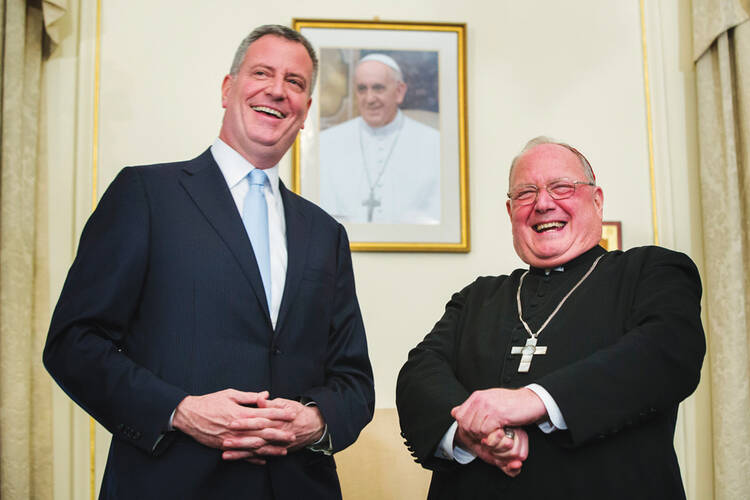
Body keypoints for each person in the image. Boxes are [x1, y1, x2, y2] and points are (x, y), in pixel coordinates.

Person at [43, 25, 374, 500]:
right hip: (170, 483)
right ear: (227, 88)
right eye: (262, 73)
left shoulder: (326, 234)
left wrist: (315, 420)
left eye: (296, 83)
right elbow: (73, 344)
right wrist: (179, 409)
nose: (278, 90)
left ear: (304, 115)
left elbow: (354, 382)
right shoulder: (146, 195)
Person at [396, 137, 705, 499]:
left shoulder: (651, 271)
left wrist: (534, 399)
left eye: (562, 187)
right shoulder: (477, 297)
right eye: (526, 193)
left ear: (597, 200)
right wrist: (469, 433)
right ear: (510, 212)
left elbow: (668, 350)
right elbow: (419, 373)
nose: (543, 204)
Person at [319, 53, 441, 224]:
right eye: (362, 89)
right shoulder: (326, 143)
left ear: (399, 91)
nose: (369, 99)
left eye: (378, 88)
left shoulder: (434, 144)